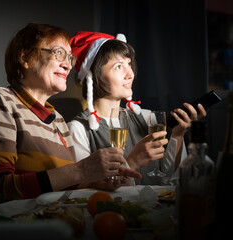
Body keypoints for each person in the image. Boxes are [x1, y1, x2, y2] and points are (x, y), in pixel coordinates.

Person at [0, 23, 142, 201]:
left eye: (70, 58)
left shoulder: (57, 119)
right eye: (58, 53)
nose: (68, 65)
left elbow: (63, 182)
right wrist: (81, 170)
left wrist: (92, 183)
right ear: (25, 57)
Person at [68, 31, 207, 185]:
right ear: (94, 76)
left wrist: (178, 135)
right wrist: (133, 162)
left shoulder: (148, 118)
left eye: (129, 64)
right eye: (119, 66)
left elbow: (167, 178)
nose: (130, 74)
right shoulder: (78, 129)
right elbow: (82, 192)